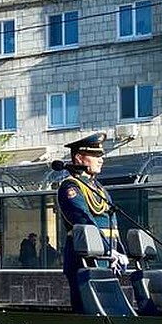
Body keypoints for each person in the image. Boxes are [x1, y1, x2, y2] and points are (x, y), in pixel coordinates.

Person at [54, 132, 125, 312]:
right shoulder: (71, 186)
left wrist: (118, 251)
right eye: (95, 156)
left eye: (100, 156)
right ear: (79, 158)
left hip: (106, 258)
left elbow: (112, 224)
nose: (101, 160)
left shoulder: (98, 188)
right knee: (89, 313)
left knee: (109, 312)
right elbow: (82, 218)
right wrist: (109, 250)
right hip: (86, 258)